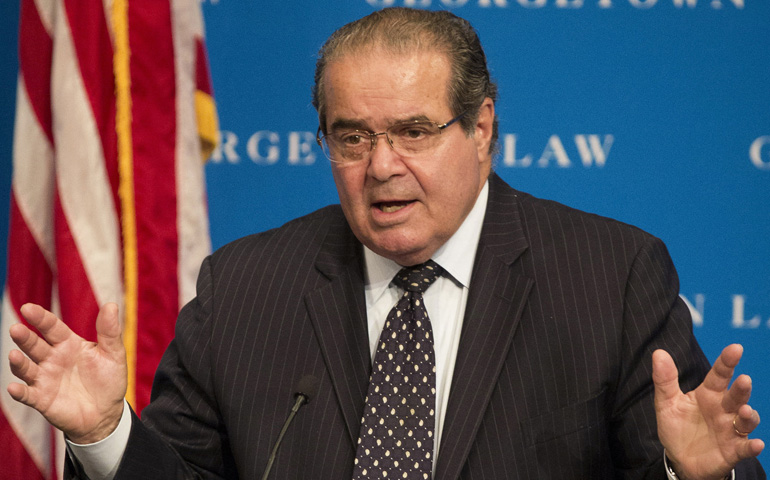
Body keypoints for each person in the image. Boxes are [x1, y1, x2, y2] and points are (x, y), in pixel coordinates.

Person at [6, 7, 765, 480]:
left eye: (413, 131)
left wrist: (689, 478)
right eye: (352, 137)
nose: (381, 167)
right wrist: (107, 435)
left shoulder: (611, 275)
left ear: (482, 129)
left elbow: (688, 454)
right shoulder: (244, 288)